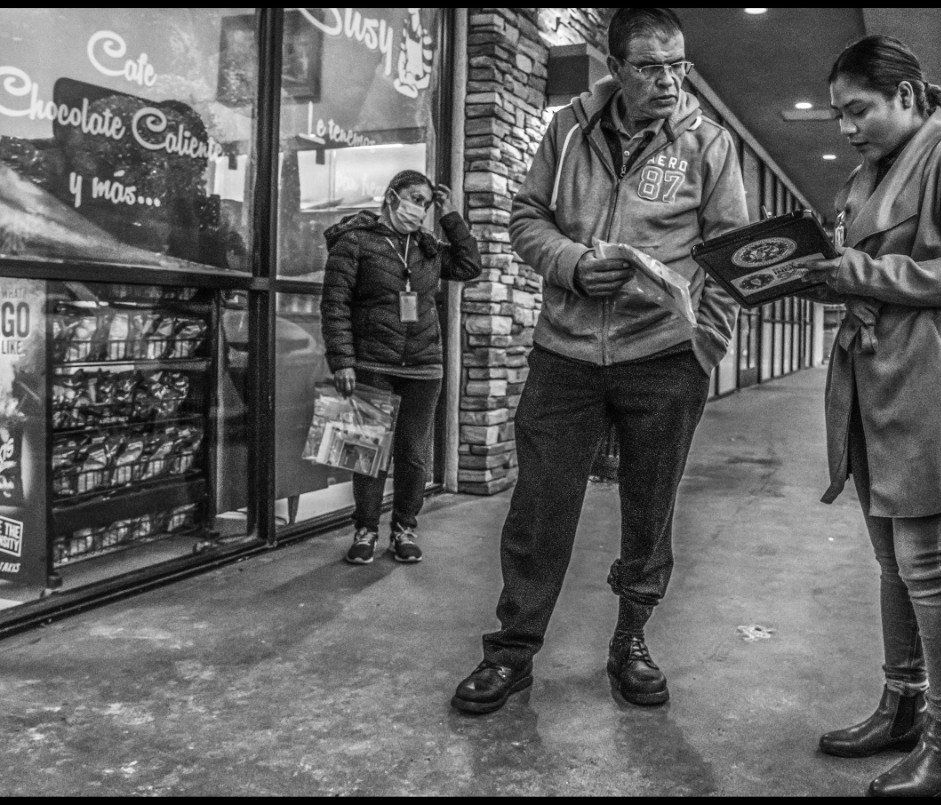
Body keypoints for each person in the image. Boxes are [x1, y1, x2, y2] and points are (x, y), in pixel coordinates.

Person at [451, 7, 747, 714]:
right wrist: (575, 266)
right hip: (566, 353)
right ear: (615, 67)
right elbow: (526, 219)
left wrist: (705, 346)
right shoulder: (568, 129)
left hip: (665, 356)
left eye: (678, 65)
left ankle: (632, 640)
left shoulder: (710, 144)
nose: (669, 81)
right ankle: (513, 650)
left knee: (650, 507)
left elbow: (731, 257)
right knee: (540, 505)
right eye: (650, 66)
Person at [794, 35, 941, 798]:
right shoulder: (868, 172)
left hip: (930, 379)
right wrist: (828, 276)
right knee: (892, 562)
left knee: (927, 563)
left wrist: (862, 271)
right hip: (870, 375)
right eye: (838, 115)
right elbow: (875, 268)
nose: (847, 127)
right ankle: (902, 702)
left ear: (909, 96)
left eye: (860, 110)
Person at [320, 170, 481, 564]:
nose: (418, 208)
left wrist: (451, 216)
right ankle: (365, 530)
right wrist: (342, 361)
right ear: (392, 196)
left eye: (425, 202)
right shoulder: (354, 241)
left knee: (413, 454)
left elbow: (469, 266)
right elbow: (335, 305)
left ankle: (405, 528)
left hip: (424, 366)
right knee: (365, 451)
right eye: (414, 197)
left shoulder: (426, 248)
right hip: (371, 362)